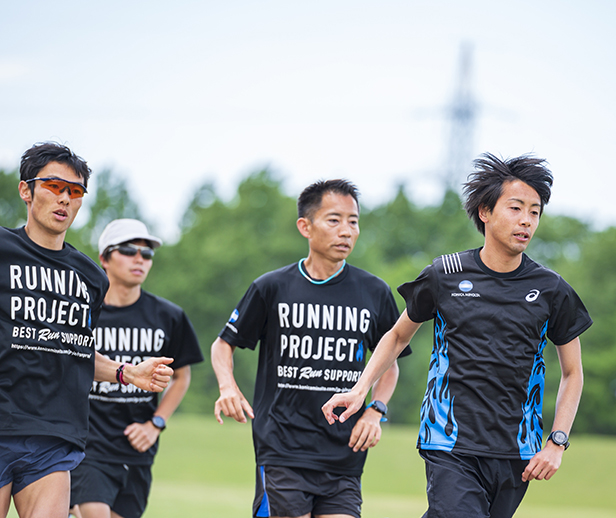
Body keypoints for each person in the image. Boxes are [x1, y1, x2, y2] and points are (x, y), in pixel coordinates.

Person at [322, 153, 593, 518]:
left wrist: (557, 442)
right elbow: (398, 335)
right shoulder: (445, 274)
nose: (526, 221)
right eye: (516, 208)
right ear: (485, 211)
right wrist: (359, 389)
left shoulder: (551, 289)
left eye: (535, 211)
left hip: (517, 453)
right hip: (448, 444)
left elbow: (573, 372)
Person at [211, 179, 411, 518]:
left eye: (353, 221)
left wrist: (376, 410)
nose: (346, 230)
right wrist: (227, 385)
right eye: (334, 220)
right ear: (306, 226)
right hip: (282, 452)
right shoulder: (271, 287)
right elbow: (223, 344)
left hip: (345, 457)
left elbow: (388, 364)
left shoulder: (374, 291)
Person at [0, 142, 174, 518]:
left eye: (74, 192)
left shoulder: (91, 276)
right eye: (53, 186)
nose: (64, 199)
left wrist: (128, 372)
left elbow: (74, 349)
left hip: (55, 432)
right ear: (26, 191)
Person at [69, 219, 204, 518]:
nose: (139, 259)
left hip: (136, 448)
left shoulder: (168, 315)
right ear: (104, 258)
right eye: (129, 251)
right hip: (86, 442)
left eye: (147, 254)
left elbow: (181, 376)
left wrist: (155, 424)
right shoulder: (81, 312)